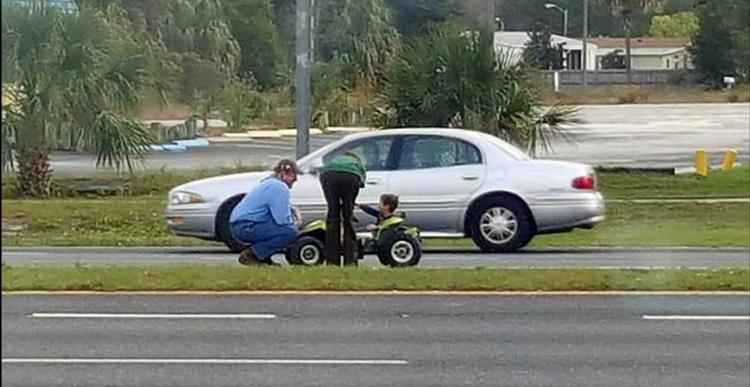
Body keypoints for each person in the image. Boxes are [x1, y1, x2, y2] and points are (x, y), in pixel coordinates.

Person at [230, 159, 302, 266]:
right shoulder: (280, 187)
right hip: (246, 226)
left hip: (240, 224)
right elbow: (282, 220)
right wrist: (297, 223)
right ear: (283, 174)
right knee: (289, 232)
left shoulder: (269, 183)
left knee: (276, 227)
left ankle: (263, 259)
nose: (296, 179)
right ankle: (252, 255)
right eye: (293, 175)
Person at [320, 151, 366, 266]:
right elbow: (360, 183)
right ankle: (349, 260)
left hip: (328, 176)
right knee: (348, 220)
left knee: (332, 216)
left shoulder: (333, 161)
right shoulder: (357, 163)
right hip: (351, 177)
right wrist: (348, 206)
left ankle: (332, 261)